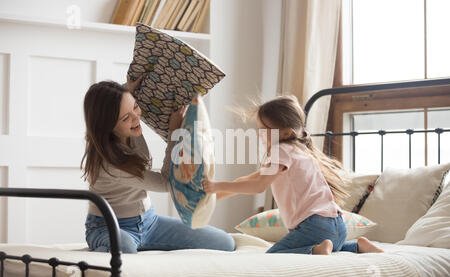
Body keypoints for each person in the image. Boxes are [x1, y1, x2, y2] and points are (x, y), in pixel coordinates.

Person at [202, 95, 383, 255]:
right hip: (338, 226)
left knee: (276, 254)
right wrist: (210, 198)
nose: (260, 136)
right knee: (331, 245)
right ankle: (356, 247)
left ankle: (316, 250)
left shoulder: (280, 150)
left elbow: (258, 186)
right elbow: (249, 179)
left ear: (286, 133)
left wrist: (217, 185)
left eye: (264, 131)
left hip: (314, 227)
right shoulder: (300, 150)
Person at [81, 76, 235, 253]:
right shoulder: (111, 165)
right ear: (108, 126)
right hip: (109, 226)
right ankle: (104, 250)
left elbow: (120, 104)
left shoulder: (126, 127)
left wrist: (130, 90)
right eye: (126, 118)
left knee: (225, 243)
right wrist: (173, 133)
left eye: (135, 107)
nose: (136, 118)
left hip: (149, 222)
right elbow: (166, 183)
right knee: (124, 248)